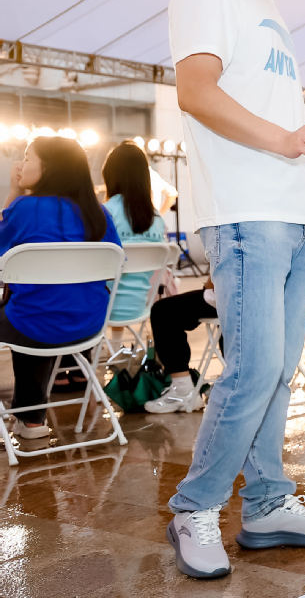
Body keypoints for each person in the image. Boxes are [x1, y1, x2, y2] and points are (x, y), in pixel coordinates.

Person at [165, 0, 305, 580]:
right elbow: (195, 91)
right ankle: (195, 505)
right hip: (245, 215)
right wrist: (283, 139)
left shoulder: (268, 6)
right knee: (254, 369)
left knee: (278, 373)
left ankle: (268, 502)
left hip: (291, 216)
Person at [0, 136, 122, 439]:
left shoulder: (24, 209)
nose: (21, 164)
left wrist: (14, 194)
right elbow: (117, 260)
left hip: (31, 325)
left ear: (48, 168)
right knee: (38, 306)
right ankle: (30, 421)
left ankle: (30, 419)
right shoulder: (98, 213)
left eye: (28, 157)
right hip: (87, 327)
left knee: (30, 313)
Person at [102, 141, 168, 325]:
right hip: (141, 305)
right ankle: (117, 347)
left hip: (104, 307)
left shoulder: (105, 212)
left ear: (110, 174)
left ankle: (111, 346)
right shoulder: (157, 219)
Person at [144, 284, 219, 413]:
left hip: (231, 296)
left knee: (162, 311)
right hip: (254, 296)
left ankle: (182, 390)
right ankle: (233, 380)